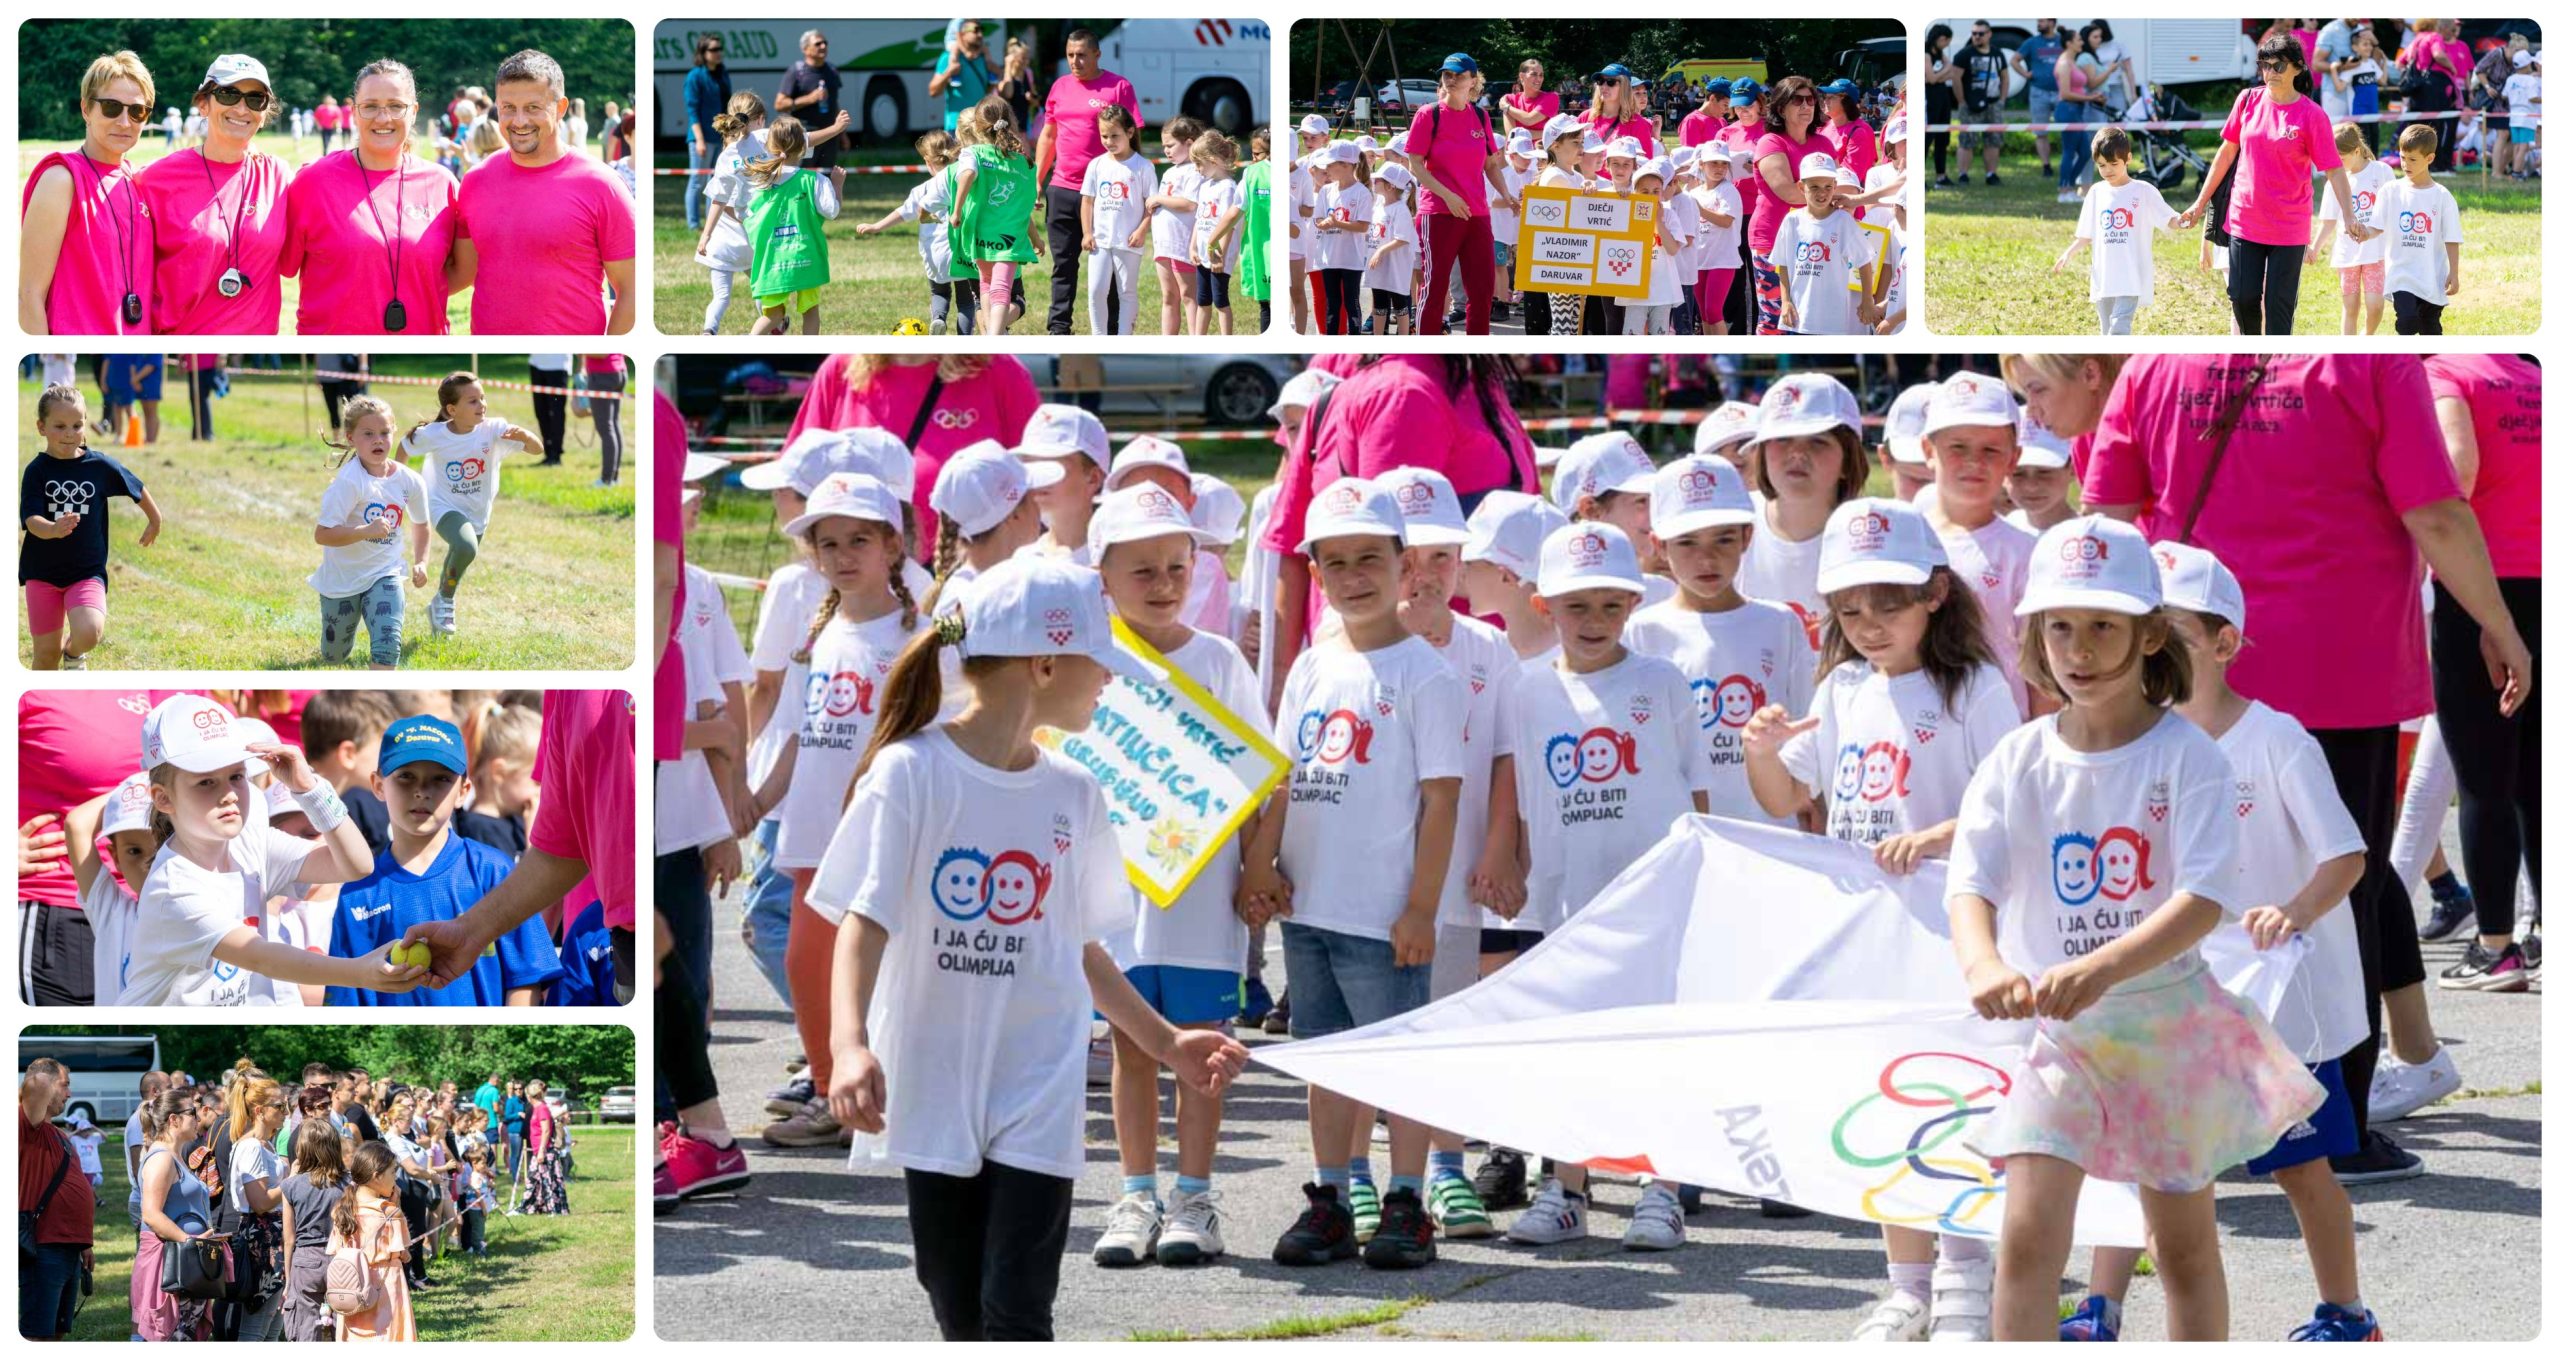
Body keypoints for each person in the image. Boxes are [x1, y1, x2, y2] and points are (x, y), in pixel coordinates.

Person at [2083, 353, 2532, 1182]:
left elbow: (2103, 517)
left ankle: (2185, 1109)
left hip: (2181, 670)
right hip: (2336, 665)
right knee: (2334, 903)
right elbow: (2434, 509)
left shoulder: (2153, 363)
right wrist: (2497, 621)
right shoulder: (2372, 361)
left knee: (2179, 889)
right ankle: (2332, 1128)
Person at [821, 554, 1245, 1333]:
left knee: (1017, 1306)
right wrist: (848, 1046)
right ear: (1045, 662)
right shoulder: (910, 773)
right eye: (1101, 664)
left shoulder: (1074, 792)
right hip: (936, 1075)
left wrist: (1165, 1042)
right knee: (953, 1299)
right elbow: (862, 918)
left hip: (1037, 1086)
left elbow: (1080, 948)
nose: (1110, 681)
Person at [1947, 515, 2325, 1341]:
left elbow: (2203, 897)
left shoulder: (2187, 755)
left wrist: (2105, 968)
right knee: (2026, 1239)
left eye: (2103, 626)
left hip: (2167, 1025)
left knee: (2183, 1249)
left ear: (2152, 635)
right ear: (2034, 634)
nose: (2078, 649)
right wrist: (1982, 965)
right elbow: (1969, 880)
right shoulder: (2017, 757)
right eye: (2060, 627)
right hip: (2060, 1038)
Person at [2050, 541, 2380, 1342]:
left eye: (2171, 634)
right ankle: (2102, 1306)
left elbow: (2347, 853)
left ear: (2225, 642)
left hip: (2273, 999)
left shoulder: (2275, 740)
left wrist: (2292, 912)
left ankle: (2347, 1311)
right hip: (2162, 992)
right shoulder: (2129, 744)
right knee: (2128, 1153)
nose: (2149, 650)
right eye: (2141, 630)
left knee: (2299, 1166)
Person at [1740, 497, 2018, 1340]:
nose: (1866, 623)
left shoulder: (1976, 687)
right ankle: (1906, 1284)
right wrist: (1760, 749)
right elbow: (1789, 798)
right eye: (1849, 609)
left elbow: (2008, 804)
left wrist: (1936, 836)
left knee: (1957, 1102)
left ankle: (1969, 1275)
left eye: (1886, 603)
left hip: (1952, 935)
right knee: (1886, 1106)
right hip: (1865, 936)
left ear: (1936, 592)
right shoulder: (1845, 686)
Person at [1238, 481, 1465, 1272]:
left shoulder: (1425, 675)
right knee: (1324, 1055)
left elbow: (1441, 802)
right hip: (1311, 903)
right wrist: (1262, 863)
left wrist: (1420, 908)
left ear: (1405, 564)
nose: (1353, 575)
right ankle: (1331, 1194)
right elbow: (1283, 778)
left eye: (1371, 557)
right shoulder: (1310, 665)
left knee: (1393, 1057)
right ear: (1317, 573)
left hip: (1382, 912)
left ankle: (1407, 1200)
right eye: (1335, 562)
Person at [1501, 521, 1716, 1251]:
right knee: (1570, 1047)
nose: (1593, 622)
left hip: (1652, 899)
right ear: (1543, 606)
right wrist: (1519, 868)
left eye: (1609, 606)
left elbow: (1697, 787)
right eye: (1575, 607)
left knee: (1655, 1046)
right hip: (1568, 898)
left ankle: (1662, 1188)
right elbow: (1525, 792)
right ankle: (1565, 1188)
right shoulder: (1527, 691)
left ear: (1633, 602)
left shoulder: (1661, 682)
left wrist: (1699, 878)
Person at [1077, 489, 1269, 1269]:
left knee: (1207, 1052)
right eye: (1142, 569)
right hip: (1117, 896)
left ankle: (1194, 1195)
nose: (1162, 583)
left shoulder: (1219, 659)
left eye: (1177, 568)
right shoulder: (1091, 662)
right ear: (1104, 578)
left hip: (1199, 894)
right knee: (1130, 1046)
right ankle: (1135, 1193)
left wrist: (1258, 862)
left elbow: (1262, 774)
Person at [2419, 353, 2541, 991]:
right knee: (2537, 778)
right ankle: (2541, 930)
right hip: (2544, 581)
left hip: (2481, 587)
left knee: (2484, 777)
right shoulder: (2538, 380)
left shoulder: (2447, 373)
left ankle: (2495, 946)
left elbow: (2457, 469)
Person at [328, 715, 565, 1004]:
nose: (421, 791)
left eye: (440, 779)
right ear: (378, 785)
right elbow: (347, 1001)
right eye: (405, 776)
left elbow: (526, 981)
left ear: (463, 792)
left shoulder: (494, 871)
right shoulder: (357, 892)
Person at [2176, 31, 2370, 335]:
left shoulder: (2312, 115)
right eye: (2264, 65)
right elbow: (2225, 155)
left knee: (2279, 311)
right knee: (2241, 297)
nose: (2269, 73)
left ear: (2297, 68)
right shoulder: (2247, 100)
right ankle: (2252, 354)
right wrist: (2199, 204)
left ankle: (2275, 364)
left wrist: (2349, 216)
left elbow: (2334, 171)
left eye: (2278, 66)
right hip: (2244, 219)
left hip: (2288, 227)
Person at [453, 50, 637, 336]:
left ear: (560, 107)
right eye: (508, 107)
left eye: (533, 107)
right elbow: (461, 273)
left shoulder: (602, 184)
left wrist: (604, 351)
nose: (519, 120)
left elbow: (632, 290)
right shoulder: (474, 181)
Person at [279, 60, 462, 336]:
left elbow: (462, 269)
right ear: (354, 112)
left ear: (413, 111)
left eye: (395, 106)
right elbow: (280, 264)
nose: (383, 117)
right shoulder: (313, 182)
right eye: (371, 106)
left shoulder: (442, 183)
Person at [135, 54, 286, 334]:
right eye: (229, 94)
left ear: (264, 114)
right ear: (204, 104)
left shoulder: (278, 177)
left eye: (255, 99)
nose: (242, 108)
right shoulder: (153, 179)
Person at [21, 382, 162, 670]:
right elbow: (31, 520)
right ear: (41, 427)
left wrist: (155, 519)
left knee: (90, 632)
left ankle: (73, 654)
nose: (69, 433)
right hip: (43, 573)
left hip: (85, 572)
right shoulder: (37, 471)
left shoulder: (98, 466)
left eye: (77, 425)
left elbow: (134, 486)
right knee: (46, 657)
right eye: (59, 426)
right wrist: (53, 529)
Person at [20, 51, 160, 335]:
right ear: (86, 109)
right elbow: (28, 296)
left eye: (137, 111)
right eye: (111, 107)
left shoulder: (140, 183)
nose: (124, 121)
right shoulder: (61, 179)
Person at [397, 371, 536, 637]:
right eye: (472, 401)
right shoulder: (435, 434)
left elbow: (537, 449)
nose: (481, 405)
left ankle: (440, 602)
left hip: (478, 511)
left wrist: (526, 437)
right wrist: (398, 482)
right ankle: (446, 601)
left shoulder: (493, 429)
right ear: (452, 409)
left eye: (482, 398)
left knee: (461, 558)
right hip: (441, 504)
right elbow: (405, 447)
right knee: (465, 546)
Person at [308, 396, 430, 670]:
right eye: (368, 434)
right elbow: (323, 534)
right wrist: (365, 531)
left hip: (385, 572)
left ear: (394, 432)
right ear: (351, 438)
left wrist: (421, 561)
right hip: (343, 578)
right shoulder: (350, 482)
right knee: (334, 656)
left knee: (388, 644)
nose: (378, 440)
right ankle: (336, 648)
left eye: (385, 433)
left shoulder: (410, 481)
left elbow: (421, 523)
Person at [1035, 30, 1143, 334]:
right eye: (1070, 55)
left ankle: (1111, 330)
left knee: (1108, 268)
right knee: (1063, 265)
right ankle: (1059, 328)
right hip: (1064, 189)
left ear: (1097, 54)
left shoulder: (1119, 87)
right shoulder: (1059, 87)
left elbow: (1134, 138)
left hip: (1106, 194)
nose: (1075, 61)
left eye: (1081, 54)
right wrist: (1038, 180)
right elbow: (1048, 135)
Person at [2052, 126, 2185, 335]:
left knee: (2119, 329)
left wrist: (2182, 220)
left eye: (2113, 164)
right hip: (2104, 277)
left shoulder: (2143, 191)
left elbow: (2168, 218)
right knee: (2106, 332)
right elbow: (2086, 234)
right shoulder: (2096, 192)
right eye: (2102, 165)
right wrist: (2068, 254)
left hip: (2131, 277)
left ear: (2128, 158)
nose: (2107, 171)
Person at [1749, 76, 1833, 336]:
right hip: (1773, 240)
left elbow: (1836, 186)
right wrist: (1829, 195)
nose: (1806, 105)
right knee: (1776, 319)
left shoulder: (1824, 143)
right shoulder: (1770, 142)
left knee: (1809, 317)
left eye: (1810, 100)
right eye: (1797, 100)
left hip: (1816, 243)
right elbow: (1787, 191)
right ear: (1781, 107)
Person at [741, 116, 839, 336]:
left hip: (772, 261)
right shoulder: (815, 180)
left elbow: (744, 214)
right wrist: (838, 186)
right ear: (804, 147)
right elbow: (831, 211)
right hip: (806, 259)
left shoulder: (760, 182)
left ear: (770, 147)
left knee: (773, 315)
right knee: (810, 311)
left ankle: (748, 347)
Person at [19, 1060, 95, 1342]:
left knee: (57, 1331)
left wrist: (85, 1243)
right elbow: (35, 1084)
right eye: (65, 1085)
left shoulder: (61, 1137)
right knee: (37, 1334)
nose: (70, 1094)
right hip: (44, 1246)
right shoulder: (28, 1126)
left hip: (70, 1248)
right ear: (46, 1084)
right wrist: (49, 1074)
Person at [952, 97, 1040, 338]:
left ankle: (993, 338)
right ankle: (994, 339)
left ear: (978, 127)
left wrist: (957, 209)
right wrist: (1036, 238)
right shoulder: (1025, 163)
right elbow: (1025, 206)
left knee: (986, 285)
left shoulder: (973, 153)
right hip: (1009, 236)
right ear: (1011, 122)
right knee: (1002, 288)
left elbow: (967, 174)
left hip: (980, 234)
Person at [134, 1090, 214, 1341]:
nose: (198, 1117)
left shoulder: (175, 1156)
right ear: (173, 1120)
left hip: (183, 1263)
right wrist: (190, 1243)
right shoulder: (162, 1159)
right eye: (192, 1112)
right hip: (168, 1262)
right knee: (166, 1335)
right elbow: (151, 1214)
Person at [1769, 153, 1879, 336]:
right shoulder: (1791, 221)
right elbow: (1783, 264)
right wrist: (1786, 301)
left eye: (1828, 186)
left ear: (1835, 186)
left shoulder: (1843, 221)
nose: (1822, 193)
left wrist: (1867, 300)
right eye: (1814, 187)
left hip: (1832, 321)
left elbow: (1864, 261)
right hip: (1798, 319)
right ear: (1801, 187)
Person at [2375, 123, 2462, 337]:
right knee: (2406, 322)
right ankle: (2401, 364)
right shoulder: (2390, 191)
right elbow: (2374, 227)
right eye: (2403, 157)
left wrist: (2454, 272)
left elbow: (2451, 238)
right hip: (2401, 273)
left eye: (2412, 159)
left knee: (2430, 327)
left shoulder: (2442, 197)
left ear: (2430, 159)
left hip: (2431, 274)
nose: (2405, 164)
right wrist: (2361, 232)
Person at [2310, 121, 2393, 336]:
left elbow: (2394, 207)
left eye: (2341, 159)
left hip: (2375, 252)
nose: (2335, 164)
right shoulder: (2334, 182)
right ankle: (2349, 352)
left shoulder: (2381, 171)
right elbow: (2328, 221)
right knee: (2351, 307)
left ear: (2357, 151)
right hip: (2347, 254)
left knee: (2375, 305)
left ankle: (2366, 338)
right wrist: (2314, 248)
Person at [223, 1076, 290, 1341]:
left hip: (272, 1238)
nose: (285, 1112)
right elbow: (260, 1202)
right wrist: (292, 1182)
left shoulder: (266, 1145)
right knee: (256, 1326)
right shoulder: (251, 1147)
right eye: (279, 1106)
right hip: (262, 1242)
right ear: (259, 1111)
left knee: (272, 1325)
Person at [1080, 105, 1156, 337]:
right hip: (1100, 242)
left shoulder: (1143, 167)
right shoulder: (1096, 165)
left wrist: (1142, 229)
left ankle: (1124, 338)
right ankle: (1098, 337)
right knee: (1095, 291)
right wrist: (1087, 232)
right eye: (1104, 136)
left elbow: (1151, 205)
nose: (1109, 141)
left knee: (1126, 291)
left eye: (1115, 136)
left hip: (1129, 242)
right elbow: (1088, 201)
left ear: (1130, 133)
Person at [329, 1142, 414, 1341]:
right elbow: (404, 1253)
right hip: (386, 1288)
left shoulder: (342, 1209)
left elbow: (335, 1250)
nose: (396, 1178)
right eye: (393, 1173)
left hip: (352, 1288)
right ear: (377, 1176)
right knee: (388, 1336)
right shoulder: (389, 1212)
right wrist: (396, 1204)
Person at [277, 1112, 347, 1341]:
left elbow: (289, 1239)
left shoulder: (290, 1186)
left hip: (306, 1259)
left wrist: (288, 1279)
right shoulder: (348, 1184)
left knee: (305, 1324)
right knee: (346, 1321)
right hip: (342, 1256)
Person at [774, 30, 844, 170]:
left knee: (826, 178)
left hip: (830, 134)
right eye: (818, 44)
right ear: (805, 49)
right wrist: (809, 99)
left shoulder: (832, 70)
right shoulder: (796, 71)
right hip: (805, 136)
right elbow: (779, 104)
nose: (823, 46)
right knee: (803, 176)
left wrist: (842, 133)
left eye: (825, 43)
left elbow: (834, 102)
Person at [683, 33, 732, 232]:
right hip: (700, 137)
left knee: (716, 180)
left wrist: (729, 135)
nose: (718, 53)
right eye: (713, 49)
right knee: (697, 181)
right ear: (703, 53)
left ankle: (713, 222)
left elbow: (728, 105)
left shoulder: (722, 74)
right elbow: (692, 110)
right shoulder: (695, 76)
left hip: (720, 136)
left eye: (719, 49)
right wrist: (700, 140)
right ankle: (693, 224)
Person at [1951, 20, 2009, 185]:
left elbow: (2005, 77)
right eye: (1974, 33)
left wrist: (2002, 100)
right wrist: (1961, 102)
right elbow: (1956, 78)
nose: (1977, 37)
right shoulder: (1964, 54)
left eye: (1981, 33)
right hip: (1969, 105)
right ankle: (1963, 175)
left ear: (1989, 34)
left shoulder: (1997, 53)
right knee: (1967, 140)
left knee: (1993, 140)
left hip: (1993, 103)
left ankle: (1991, 174)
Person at [2014, 18, 2065, 175]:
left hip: (2062, 92)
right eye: (2038, 21)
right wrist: (2026, 74)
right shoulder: (2032, 42)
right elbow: (2014, 60)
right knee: (2040, 131)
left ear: (2052, 22)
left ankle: (2067, 163)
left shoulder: (2063, 40)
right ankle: (2046, 166)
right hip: (2038, 92)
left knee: (2069, 130)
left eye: (2042, 21)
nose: (2039, 24)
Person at [931, 19, 1000, 133]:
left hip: (980, 127)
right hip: (956, 128)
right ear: (962, 34)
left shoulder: (984, 59)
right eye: (975, 31)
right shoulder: (947, 57)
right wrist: (948, 73)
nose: (980, 34)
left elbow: (986, 91)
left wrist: (996, 78)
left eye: (981, 30)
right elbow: (933, 91)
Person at [1504, 58, 1561, 139]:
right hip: (1518, 151)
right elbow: (1512, 135)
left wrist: (1507, 107)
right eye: (1534, 74)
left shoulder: (1551, 98)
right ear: (1521, 76)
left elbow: (1529, 120)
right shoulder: (1510, 99)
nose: (1539, 79)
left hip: (1542, 151)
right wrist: (1547, 133)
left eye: (1541, 75)